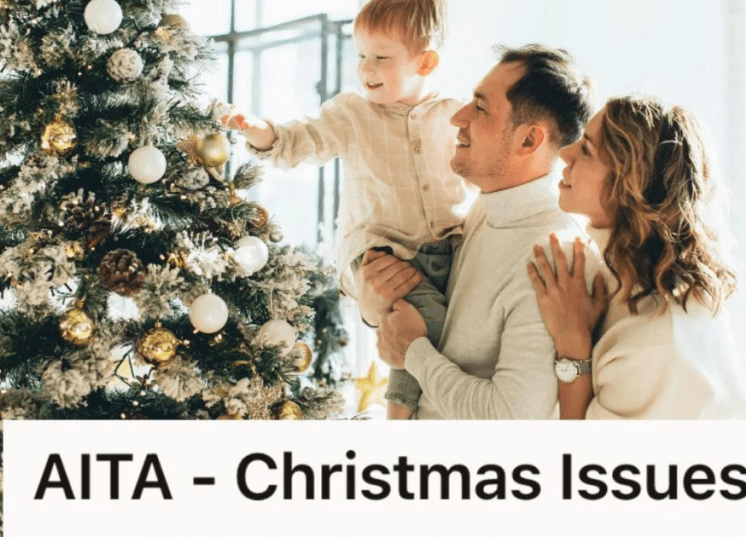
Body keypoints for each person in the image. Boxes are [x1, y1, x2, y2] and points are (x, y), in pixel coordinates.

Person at [222, 0, 463, 419]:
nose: (366, 69)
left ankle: (414, 411)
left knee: (432, 329)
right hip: (377, 251)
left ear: (425, 63)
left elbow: (483, 178)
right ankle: (399, 414)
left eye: (381, 58)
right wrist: (260, 132)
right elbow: (302, 140)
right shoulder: (353, 113)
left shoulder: (455, 115)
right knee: (423, 323)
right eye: (362, 56)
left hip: (443, 251)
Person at [372, 44, 594, 419]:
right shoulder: (485, 207)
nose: (457, 118)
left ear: (529, 140)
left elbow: (507, 418)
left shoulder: (555, 257)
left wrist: (413, 351)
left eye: (480, 108)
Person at [527, 95, 746, 420]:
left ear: (629, 184)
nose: (565, 152)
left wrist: (572, 344)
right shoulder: (612, 274)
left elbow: (584, 465)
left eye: (587, 148)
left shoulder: (655, 340)